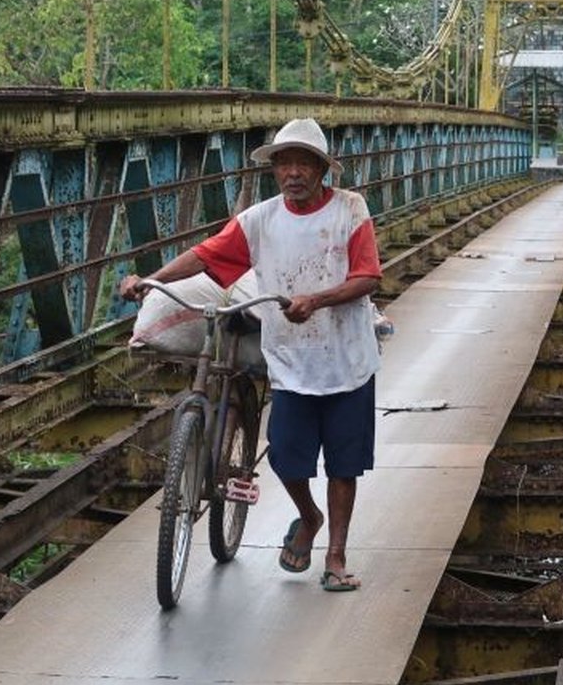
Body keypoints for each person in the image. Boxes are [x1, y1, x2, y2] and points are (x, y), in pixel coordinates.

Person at [120, 118, 381, 592]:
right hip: (290, 359)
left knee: (344, 464)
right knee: (285, 456)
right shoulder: (260, 220)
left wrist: (316, 300)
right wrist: (151, 280)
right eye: (285, 163)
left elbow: (368, 277)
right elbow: (206, 255)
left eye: (304, 163)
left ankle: (336, 557)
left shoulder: (350, 210)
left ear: (322, 170)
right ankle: (309, 516)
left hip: (346, 357)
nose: (294, 172)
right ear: (275, 170)